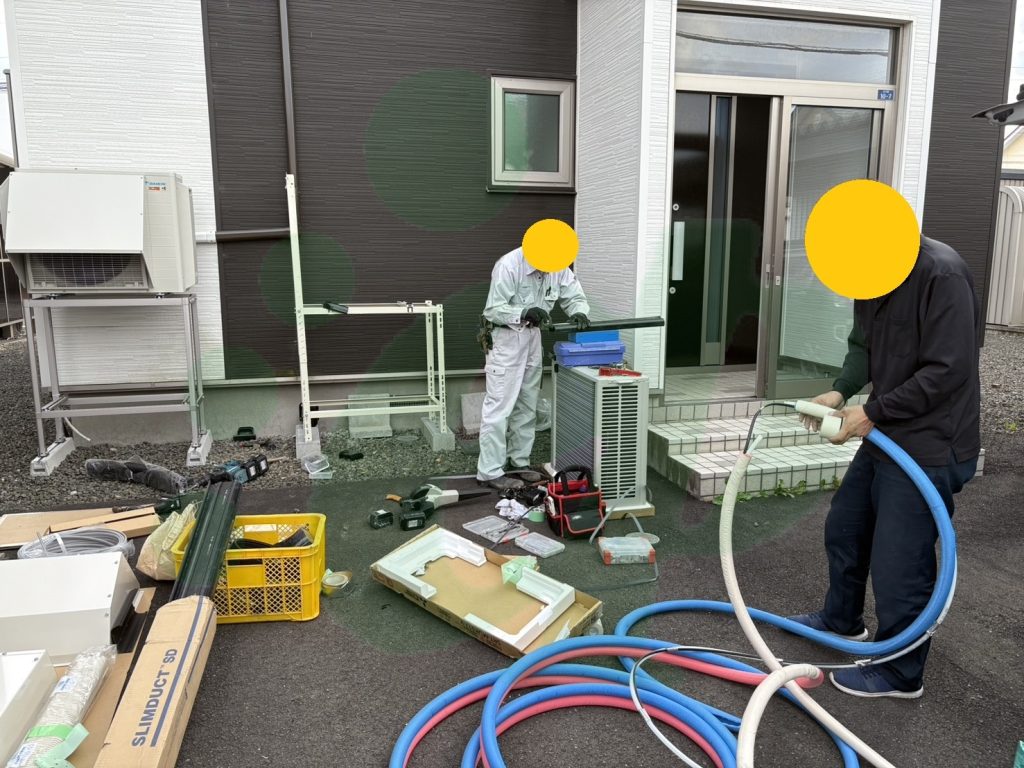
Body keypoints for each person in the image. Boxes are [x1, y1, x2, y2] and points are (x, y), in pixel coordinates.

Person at [790, 235, 981, 699]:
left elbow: (947, 370)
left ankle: (900, 672)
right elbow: (864, 346)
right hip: (888, 434)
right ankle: (842, 619)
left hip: (932, 443)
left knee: (900, 560)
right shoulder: (869, 272)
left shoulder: (942, 274)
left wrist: (873, 412)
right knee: (845, 527)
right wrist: (841, 390)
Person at [476, 246, 590, 491]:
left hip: (533, 338)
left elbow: (574, 296)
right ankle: (489, 471)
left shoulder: (557, 263)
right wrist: (523, 312)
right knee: (499, 407)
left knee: (528, 404)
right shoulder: (509, 265)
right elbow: (492, 310)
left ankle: (519, 462)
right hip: (506, 339)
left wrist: (579, 312)